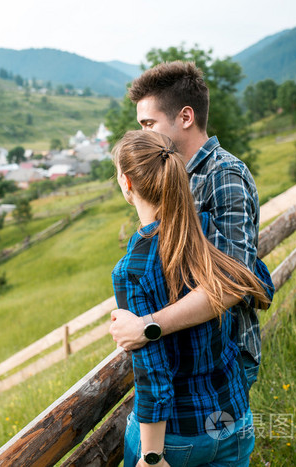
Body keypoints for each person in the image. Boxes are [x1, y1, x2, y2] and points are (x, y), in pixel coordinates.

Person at [109, 61, 272, 391]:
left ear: (185, 117)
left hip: (224, 358)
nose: (143, 135)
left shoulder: (224, 177)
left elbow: (231, 283)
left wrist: (148, 326)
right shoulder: (173, 174)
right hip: (186, 358)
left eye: (149, 123)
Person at [112, 130, 270, 466]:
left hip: (178, 437)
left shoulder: (132, 270)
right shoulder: (206, 231)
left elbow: (151, 373)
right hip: (233, 419)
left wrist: (152, 456)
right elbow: (259, 279)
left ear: (127, 183)